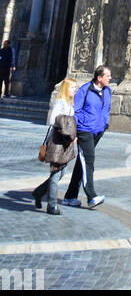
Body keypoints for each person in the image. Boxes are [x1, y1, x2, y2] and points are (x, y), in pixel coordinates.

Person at [63, 64, 112, 207]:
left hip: (97, 130)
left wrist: (104, 124)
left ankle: (70, 196)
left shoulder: (107, 91)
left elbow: (106, 109)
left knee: (82, 161)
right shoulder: (85, 90)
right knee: (88, 160)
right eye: (107, 76)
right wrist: (77, 130)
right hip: (85, 130)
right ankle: (91, 196)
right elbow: (75, 111)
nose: (110, 78)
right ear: (99, 78)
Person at [32, 78, 78, 215]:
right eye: (72, 87)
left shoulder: (69, 103)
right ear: (65, 89)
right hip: (57, 141)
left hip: (65, 142)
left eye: (75, 87)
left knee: (61, 171)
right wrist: (67, 126)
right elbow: (53, 120)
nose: (74, 90)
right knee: (56, 172)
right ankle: (52, 205)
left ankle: (39, 192)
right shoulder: (60, 103)